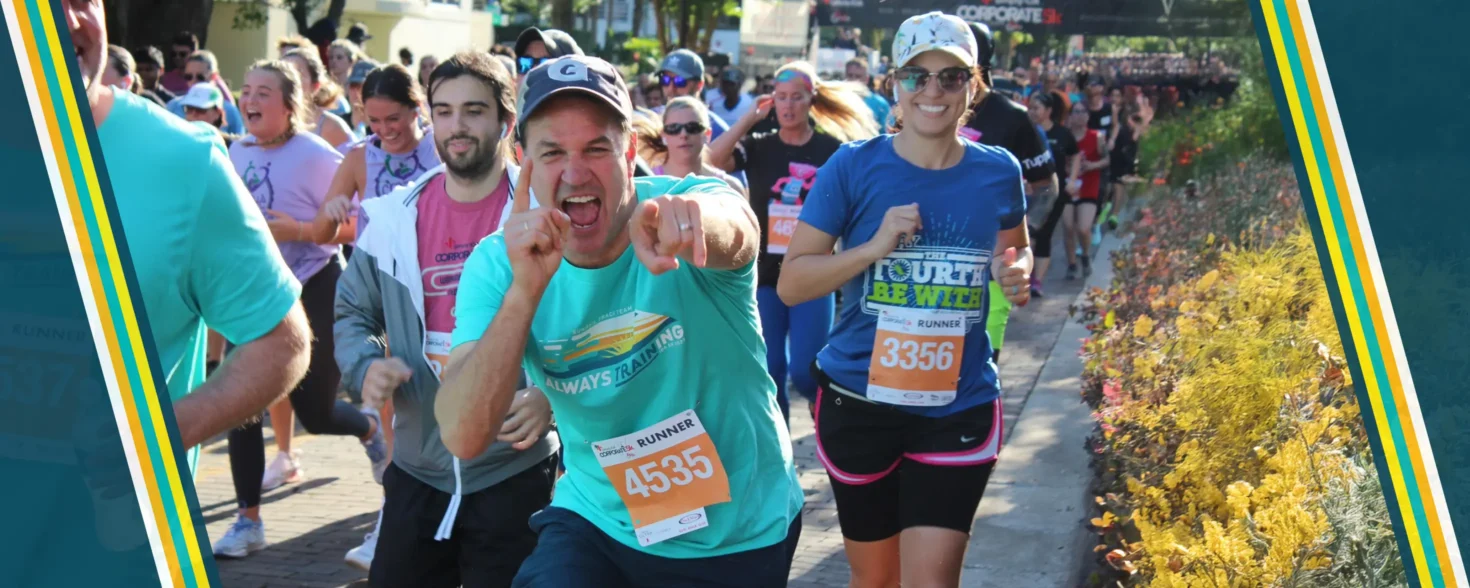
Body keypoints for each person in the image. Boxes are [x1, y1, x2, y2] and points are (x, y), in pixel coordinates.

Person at [436, 55, 802, 587]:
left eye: (597, 148)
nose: (575, 171)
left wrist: (696, 230)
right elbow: (464, 435)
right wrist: (524, 294)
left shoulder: (685, 205)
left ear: (630, 151)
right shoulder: (499, 264)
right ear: (523, 161)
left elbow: (736, 229)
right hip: (599, 520)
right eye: (553, 152)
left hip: (738, 527)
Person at [776, 12, 1031, 587]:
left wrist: (1014, 269)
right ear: (894, 83)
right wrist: (871, 248)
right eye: (917, 76)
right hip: (859, 404)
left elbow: (1015, 247)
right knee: (875, 582)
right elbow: (794, 283)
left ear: (974, 86)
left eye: (951, 76)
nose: (933, 91)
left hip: (956, 404)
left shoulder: (999, 173)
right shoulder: (853, 167)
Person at [335, 51, 560, 585]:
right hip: (418, 469)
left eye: (474, 111)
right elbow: (351, 310)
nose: (457, 127)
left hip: (515, 469)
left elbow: (592, 322)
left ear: (507, 122)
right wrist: (365, 364)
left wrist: (552, 398)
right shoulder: (394, 217)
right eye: (444, 111)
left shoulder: (545, 214)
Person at [71, 0, 311, 480]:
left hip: (111, 535)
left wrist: (157, 437)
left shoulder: (183, 158)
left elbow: (281, 343)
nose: (69, 18)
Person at [212, 59, 389, 560]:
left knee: (315, 413)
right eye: (245, 90)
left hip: (314, 284)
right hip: (256, 291)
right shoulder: (233, 152)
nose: (249, 99)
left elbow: (358, 226)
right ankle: (247, 520)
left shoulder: (316, 154)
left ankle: (368, 427)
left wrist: (302, 230)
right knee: (240, 403)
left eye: (263, 92)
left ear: (290, 106)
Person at [708, 61, 877, 421]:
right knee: (770, 369)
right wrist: (747, 119)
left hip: (813, 275)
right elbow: (713, 157)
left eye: (796, 97)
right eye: (781, 97)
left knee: (804, 370)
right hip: (767, 276)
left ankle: (831, 424)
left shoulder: (833, 151)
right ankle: (782, 447)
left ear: (811, 100)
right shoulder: (759, 146)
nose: (787, 106)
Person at [960, 21, 1057, 360]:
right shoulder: (927, 113)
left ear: (979, 63)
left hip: (993, 268)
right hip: (937, 269)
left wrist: (1022, 236)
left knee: (982, 364)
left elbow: (1046, 184)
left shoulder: (1011, 117)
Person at [1028, 91, 1078, 298]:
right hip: (1030, 191)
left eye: (1036, 108)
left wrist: (1073, 180)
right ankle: (1025, 276)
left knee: (1044, 233)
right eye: (1030, 107)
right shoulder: (1026, 131)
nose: (1032, 111)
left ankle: (1037, 281)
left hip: (1054, 192)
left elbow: (1075, 155)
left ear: (1048, 111)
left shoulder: (1062, 133)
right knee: (1028, 235)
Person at [653, 97, 745, 196]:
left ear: (707, 135)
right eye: (674, 128)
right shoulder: (647, 182)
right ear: (663, 135)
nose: (683, 134)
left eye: (692, 127)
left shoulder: (730, 188)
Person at [1062, 100, 1108, 279]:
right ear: (1070, 116)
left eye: (1083, 112)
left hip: (1089, 185)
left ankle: (1086, 256)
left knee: (1083, 228)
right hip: (1068, 186)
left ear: (1088, 116)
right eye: (1076, 112)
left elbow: (1107, 160)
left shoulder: (1096, 137)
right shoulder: (1065, 136)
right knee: (1067, 226)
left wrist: (1091, 165)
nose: (1079, 115)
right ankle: (1072, 264)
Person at [282, 48, 356, 149]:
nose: (290, 80)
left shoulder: (331, 127)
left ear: (315, 85)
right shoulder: (265, 121)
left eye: (298, 74)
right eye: (284, 73)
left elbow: (356, 162)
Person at [165, 51, 245, 135]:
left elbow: (240, 143)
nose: (193, 81)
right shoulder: (173, 106)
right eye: (188, 77)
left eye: (200, 77)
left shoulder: (230, 111)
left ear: (214, 76)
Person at [179, 82, 242, 147]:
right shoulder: (176, 141)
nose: (193, 114)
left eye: (200, 109)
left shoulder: (233, 146)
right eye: (189, 108)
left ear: (217, 113)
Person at [844, 58, 892, 130]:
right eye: (850, 75)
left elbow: (887, 133)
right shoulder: (835, 101)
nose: (853, 80)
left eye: (858, 76)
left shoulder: (880, 104)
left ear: (866, 79)